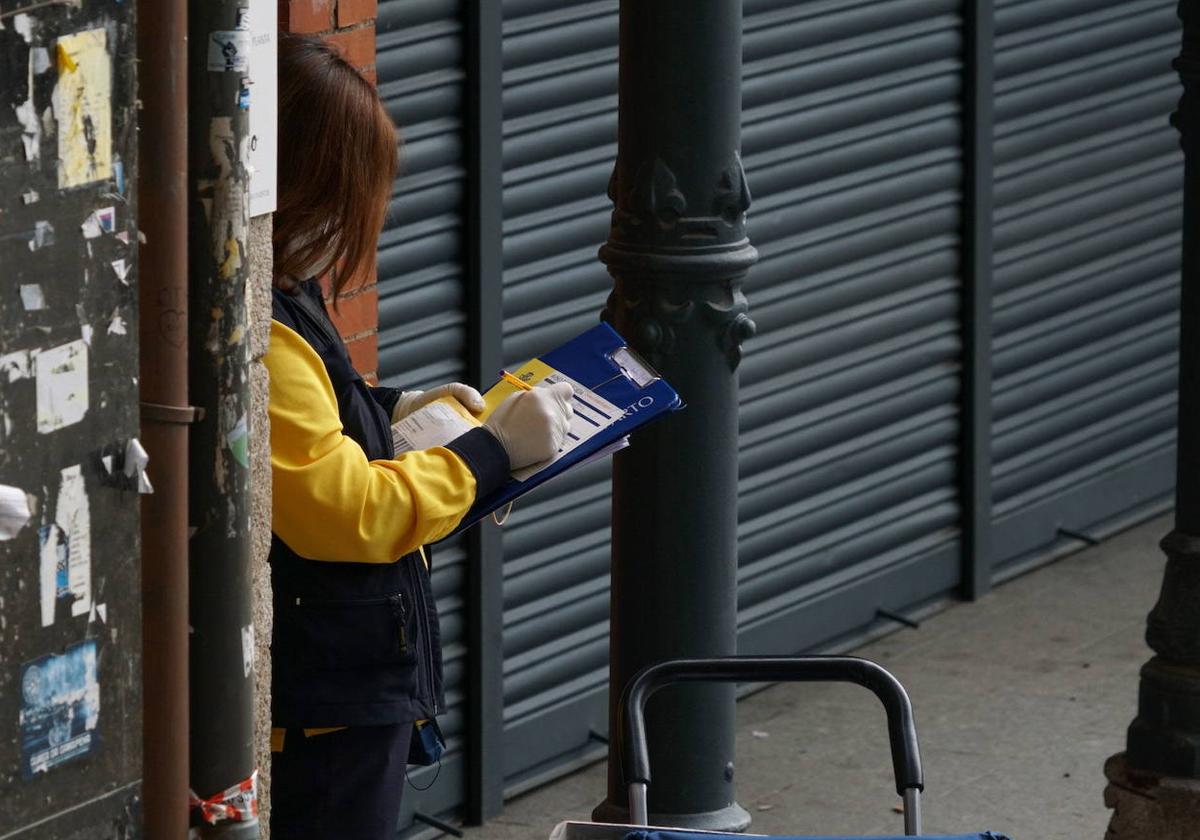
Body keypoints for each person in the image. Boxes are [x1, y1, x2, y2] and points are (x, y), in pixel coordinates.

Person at [265, 34, 573, 839]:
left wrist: (395, 410)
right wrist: (487, 454)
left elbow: (313, 423)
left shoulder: (274, 287)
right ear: (307, 179)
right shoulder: (257, 325)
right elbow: (343, 511)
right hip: (322, 704)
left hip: (334, 690)